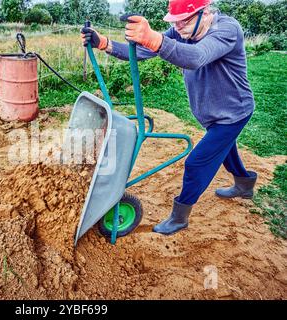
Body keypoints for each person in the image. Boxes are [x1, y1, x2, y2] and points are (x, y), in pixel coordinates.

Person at [81, 0, 258, 235]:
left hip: (233, 113)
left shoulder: (226, 29)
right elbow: (143, 50)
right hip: (212, 113)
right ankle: (244, 186)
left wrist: (155, 38)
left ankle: (179, 218)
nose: (179, 26)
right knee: (224, 149)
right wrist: (104, 43)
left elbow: (196, 56)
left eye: (184, 20)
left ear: (205, 12)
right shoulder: (183, 30)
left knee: (197, 163)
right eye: (175, 21)